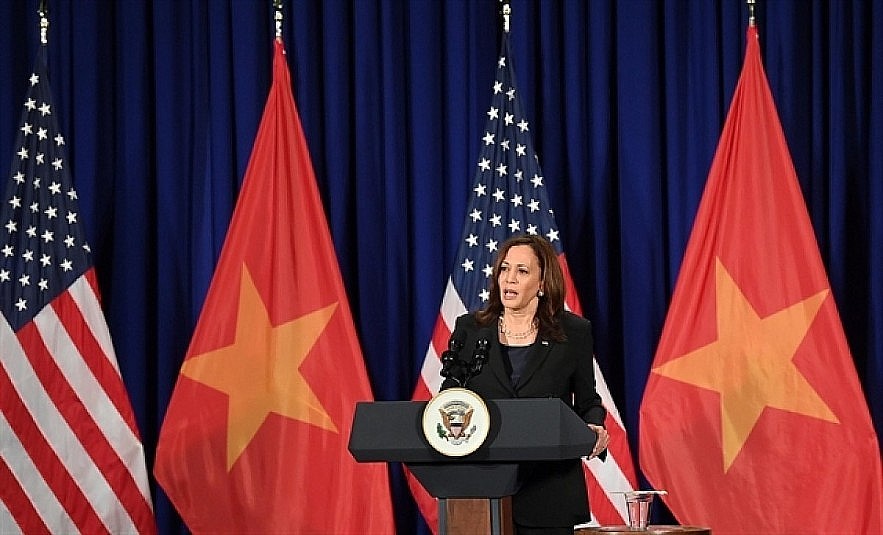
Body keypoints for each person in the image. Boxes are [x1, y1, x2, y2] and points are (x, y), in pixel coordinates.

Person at [440, 234, 610, 534]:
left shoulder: (573, 333)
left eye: (522, 271)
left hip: (549, 493)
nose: (510, 279)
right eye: (505, 269)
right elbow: (450, 398)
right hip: (480, 494)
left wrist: (594, 425)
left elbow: (588, 402)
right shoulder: (470, 329)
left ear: (543, 283)